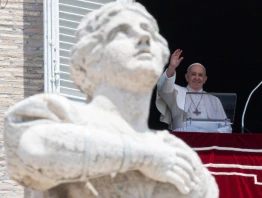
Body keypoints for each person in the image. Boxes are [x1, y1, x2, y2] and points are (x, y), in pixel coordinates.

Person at [4, 2, 218, 198]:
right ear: (91, 57)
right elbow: (35, 148)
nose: (144, 38)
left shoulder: (181, 156)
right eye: (122, 31)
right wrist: (145, 155)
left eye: (150, 33)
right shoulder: (54, 116)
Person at [156, 49, 232, 132]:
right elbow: (163, 88)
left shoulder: (214, 100)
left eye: (200, 75)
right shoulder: (176, 92)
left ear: (205, 79)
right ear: (187, 77)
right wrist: (172, 67)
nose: (197, 78)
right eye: (193, 74)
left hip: (210, 142)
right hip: (183, 139)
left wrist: (214, 136)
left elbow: (226, 127)